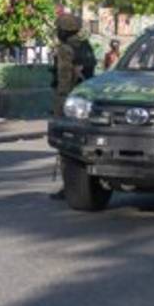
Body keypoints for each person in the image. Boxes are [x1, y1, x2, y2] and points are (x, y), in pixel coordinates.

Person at [49, 14, 88, 201]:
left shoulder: (65, 49)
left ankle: (70, 187)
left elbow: (64, 78)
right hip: (85, 102)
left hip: (70, 101)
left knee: (65, 146)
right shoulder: (85, 47)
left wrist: (61, 103)